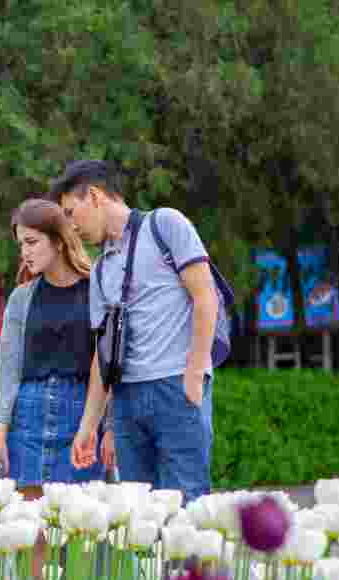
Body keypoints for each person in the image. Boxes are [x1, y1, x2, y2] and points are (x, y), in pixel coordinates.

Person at [50, 160, 219, 504]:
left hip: (175, 388)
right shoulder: (100, 269)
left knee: (186, 507)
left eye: (70, 213)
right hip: (127, 401)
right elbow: (102, 354)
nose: (71, 227)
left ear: (94, 196)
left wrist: (195, 373)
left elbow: (205, 296)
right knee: (138, 515)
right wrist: (89, 425)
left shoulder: (165, 224)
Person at [0, 198, 111, 490]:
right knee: (27, 515)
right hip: (27, 419)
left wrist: (111, 427)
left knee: (80, 514)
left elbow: (108, 367)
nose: (24, 252)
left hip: (83, 420)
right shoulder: (21, 298)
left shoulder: (98, 292)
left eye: (32, 242)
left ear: (59, 241)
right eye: (21, 245)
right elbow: (8, 371)